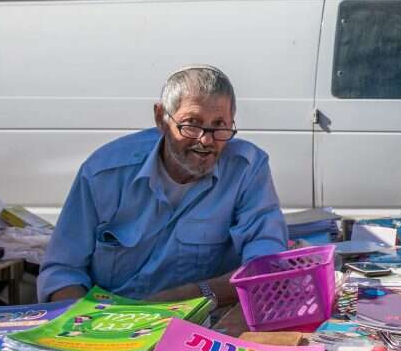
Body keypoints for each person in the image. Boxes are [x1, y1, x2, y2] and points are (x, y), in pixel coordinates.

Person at [37, 65, 288, 305]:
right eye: (191, 123)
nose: (205, 140)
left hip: (202, 319)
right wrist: (86, 324)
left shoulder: (247, 169)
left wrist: (193, 295)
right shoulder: (103, 174)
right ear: (161, 119)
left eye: (219, 125)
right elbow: (62, 272)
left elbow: (265, 267)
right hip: (110, 323)